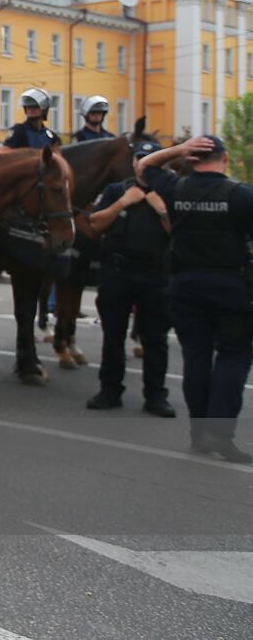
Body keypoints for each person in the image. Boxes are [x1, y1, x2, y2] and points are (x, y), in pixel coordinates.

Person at [136, 135, 253, 462]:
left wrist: (176, 150)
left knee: (196, 358)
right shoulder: (241, 196)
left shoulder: (176, 188)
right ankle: (219, 434)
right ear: (225, 158)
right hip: (230, 286)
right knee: (234, 356)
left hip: (185, 286)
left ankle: (200, 435)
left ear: (191, 159)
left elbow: (144, 166)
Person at [84, 138, 175, 416]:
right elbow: (94, 224)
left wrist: (161, 211)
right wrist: (124, 202)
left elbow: (180, 236)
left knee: (155, 339)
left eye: (150, 160)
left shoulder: (169, 193)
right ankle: (110, 390)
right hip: (118, 272)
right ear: (134, 163)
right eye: (139, 159)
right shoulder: (116, 190)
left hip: (155, 274)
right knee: (113, 335)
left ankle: (156, 395)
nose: (143, 165)